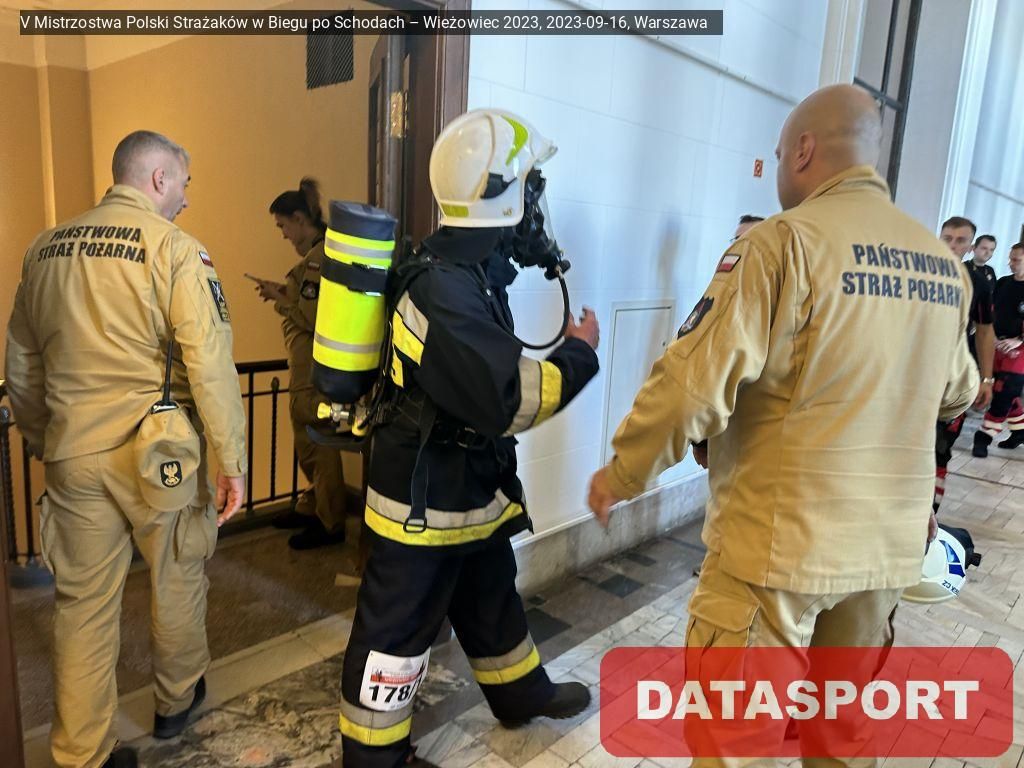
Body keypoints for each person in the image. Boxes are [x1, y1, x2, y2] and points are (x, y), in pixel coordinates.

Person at [587, 84, 978, 766]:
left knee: (735, 742)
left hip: (779, 553)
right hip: (884, 552)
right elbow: (959, 391)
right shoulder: (943, 266)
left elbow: (690, 388)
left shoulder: (780, 245)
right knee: (841, 735)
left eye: (777, 155)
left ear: (803, 150)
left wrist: (623, 471)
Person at [338, 109, 600, 768]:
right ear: (501, 196)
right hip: (422, 501)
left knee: (490, 596)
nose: (536, 208)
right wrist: (579, 353)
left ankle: (520, 693)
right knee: (396, 632)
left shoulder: (471, 272)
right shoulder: (442, 290)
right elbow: (509, 397)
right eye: (530, 191)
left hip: (465, 486)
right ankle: (372, 759)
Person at [4, 131, 247, 768]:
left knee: (81, 606)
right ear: (159, 179)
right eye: (184, 184)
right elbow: (210, 364)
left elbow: (22, 364)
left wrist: (44, 437)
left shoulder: (44, 249)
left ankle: (83, 753)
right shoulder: (176, 249)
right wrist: (232, 461)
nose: (187, 199)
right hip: (157, 458)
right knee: (176, 575)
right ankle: (175, 702)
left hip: (72, 451)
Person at [255, 178, 347, 550]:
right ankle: (313, 508)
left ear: (298, 218)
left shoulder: (318, 260)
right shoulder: (318, 257)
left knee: (319, 444)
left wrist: (280, 300)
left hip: (314, 371)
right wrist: (282, 292)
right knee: (307, 444)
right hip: (308, 369)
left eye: (283, 225)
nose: (283, 234)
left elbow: (311, 318)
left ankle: (330, 522)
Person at [692, 213, 765, 470]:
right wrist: (701, 442)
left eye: (748, 243)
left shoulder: (782, 308)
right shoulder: (719, 303)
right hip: (727, 446)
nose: (738, 251)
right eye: (735, 242)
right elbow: (704, 375)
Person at [933, 217, 995, 510]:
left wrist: (986, 378)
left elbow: (984, 330)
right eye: (947, 238)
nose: (952, 245)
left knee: (940, 449)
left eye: (960, 241)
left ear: (970, 246)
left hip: (953, 376)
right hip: (914, 375)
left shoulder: (978, 283)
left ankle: (929, 515)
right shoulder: (919, 272)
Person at [973, 243, 1024, 455]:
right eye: (1010, 258)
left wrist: (1019, 340)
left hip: (1019, 352)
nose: (1010, 263)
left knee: (1004, 392)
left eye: (1016, 260)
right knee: (999, 390)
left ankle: (983, 437)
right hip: (996, 346)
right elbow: (990, 312)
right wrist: (991, 336)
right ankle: (1020, 430)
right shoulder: (1003, 282)